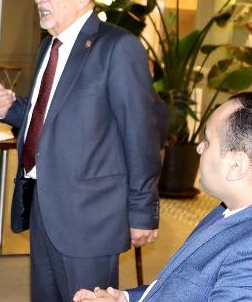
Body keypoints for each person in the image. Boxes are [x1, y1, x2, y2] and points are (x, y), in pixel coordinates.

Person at [0, 0, 161, 302]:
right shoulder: (49, 46)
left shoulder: (117, 47)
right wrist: (12, 109)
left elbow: (140, 134)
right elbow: (48, 118)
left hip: (90, 217)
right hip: (44, 205)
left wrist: (143, 211)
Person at [74, 92, 252, 302]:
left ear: (236, 165)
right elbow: (181, 288)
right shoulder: (226, 210)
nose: (199, 148)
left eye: (207, 141)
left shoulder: (247, 254)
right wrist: (126, 298)